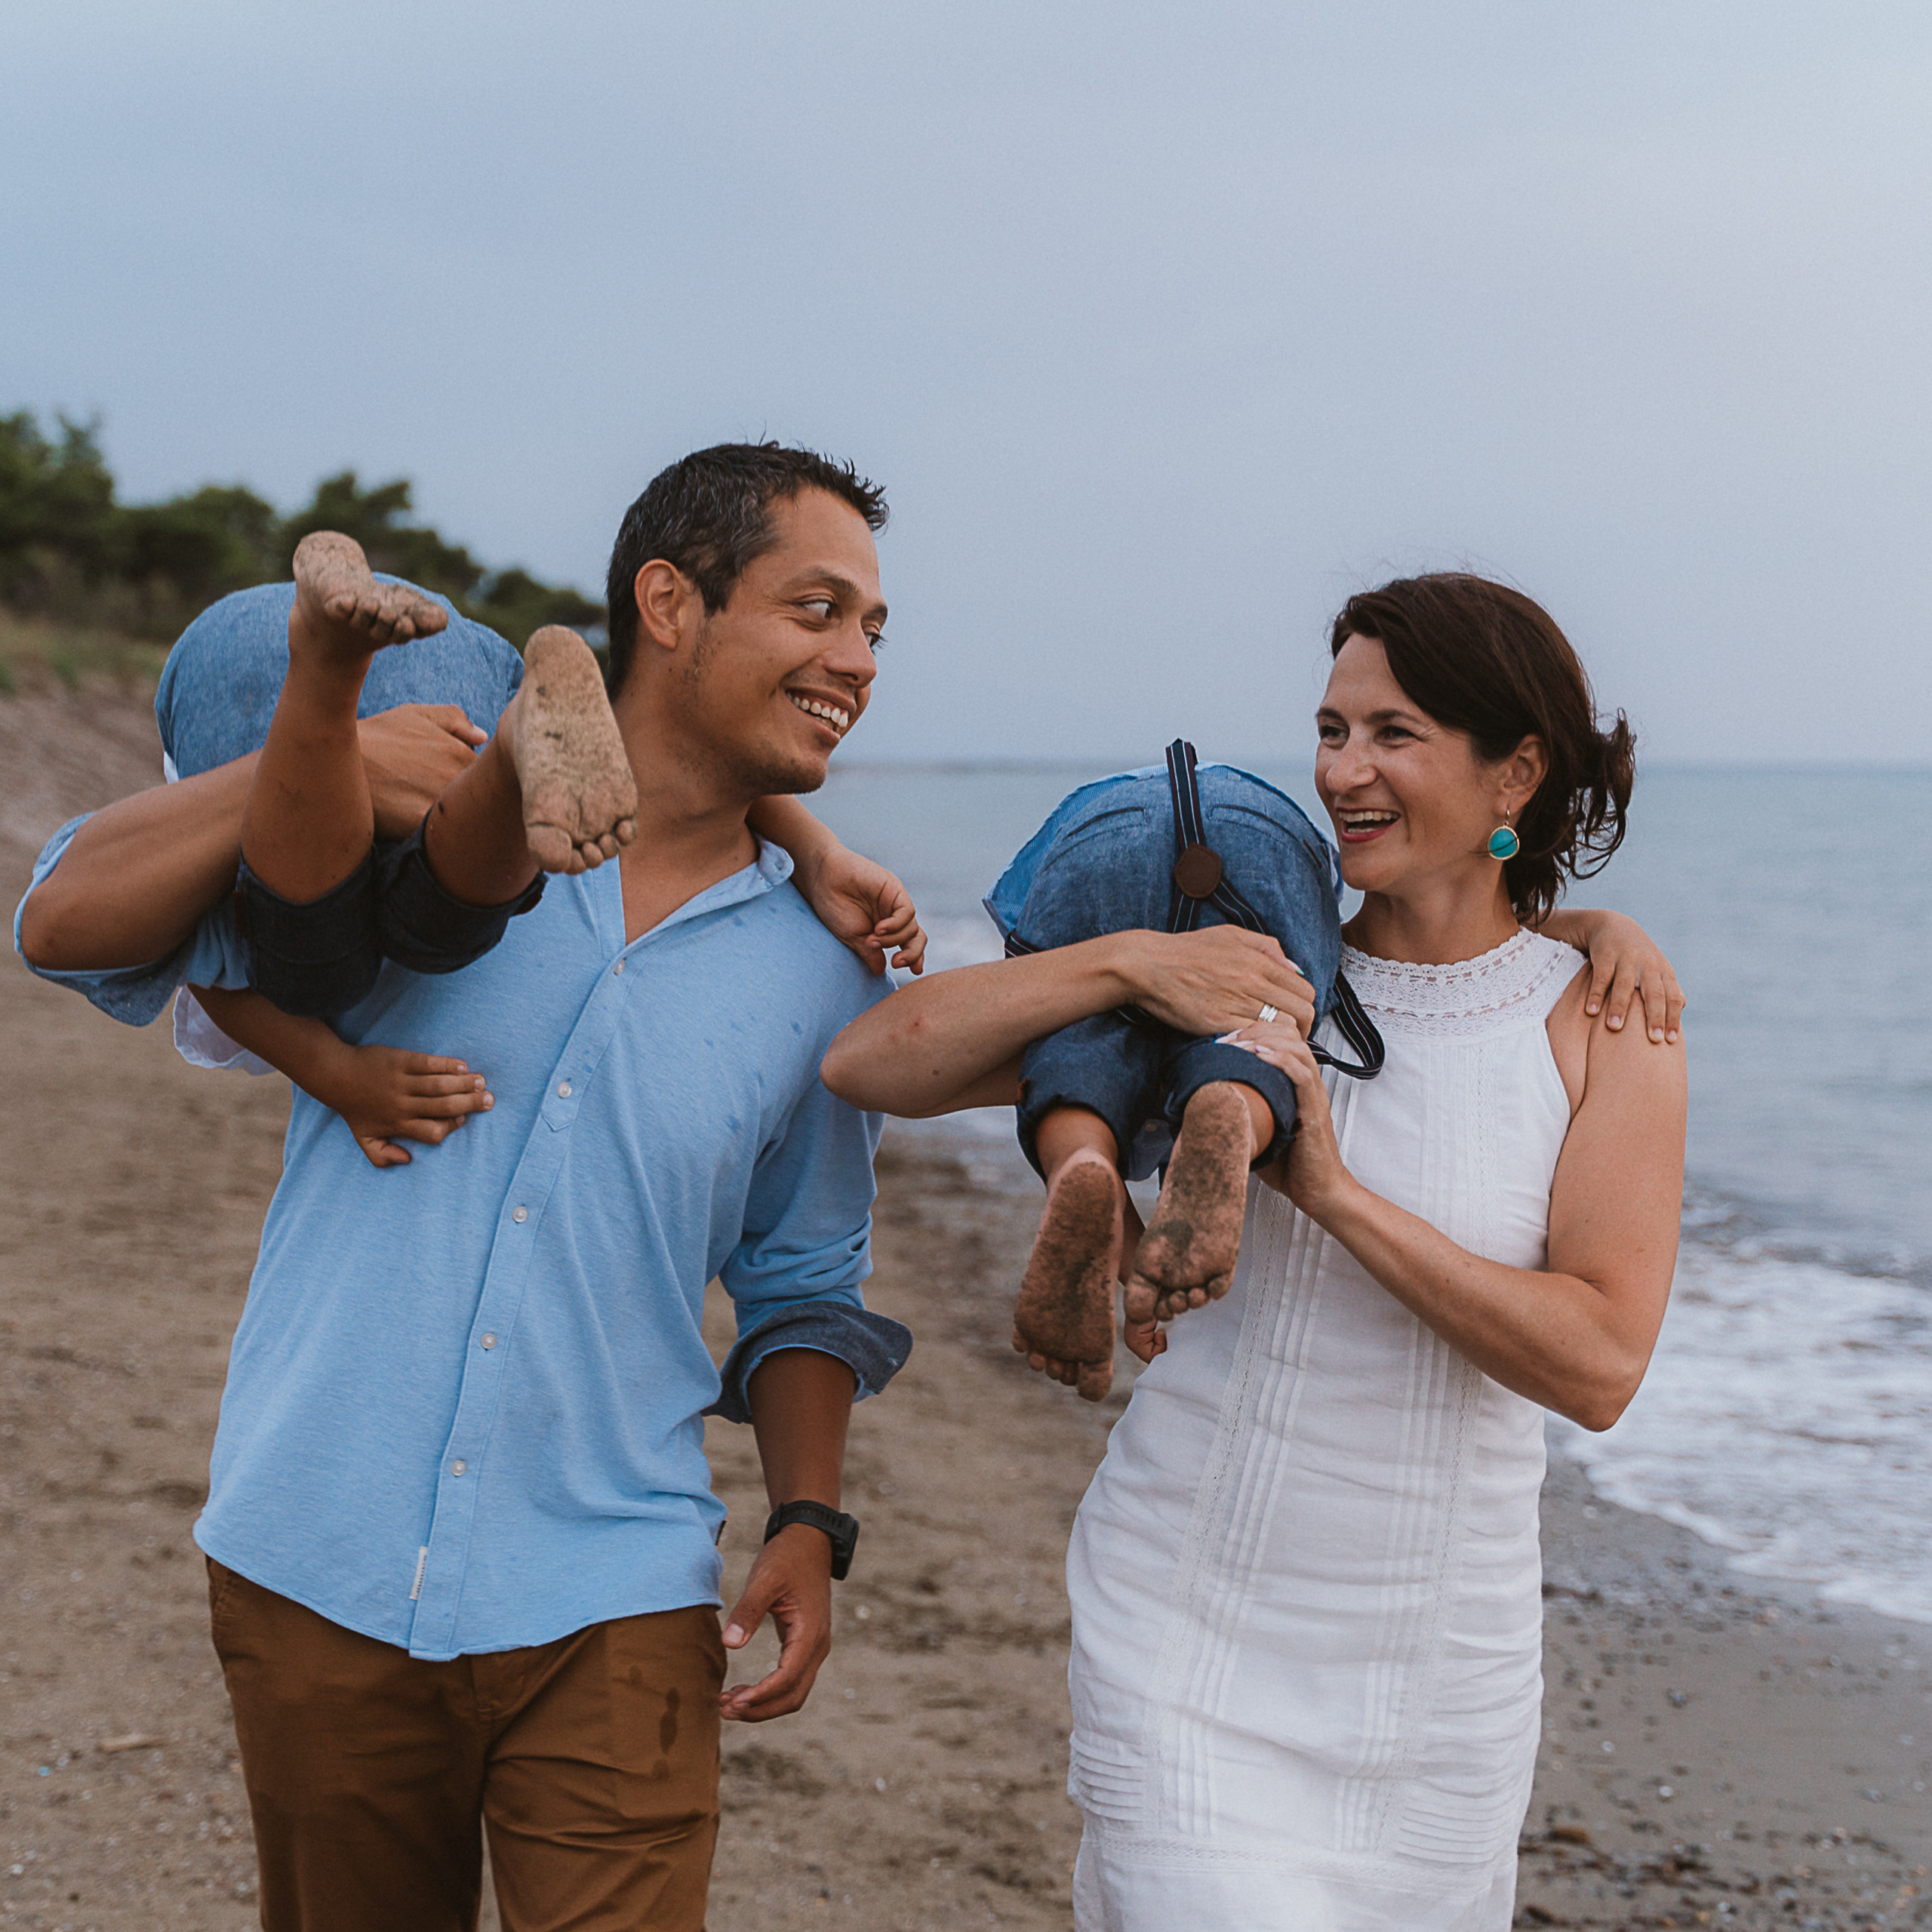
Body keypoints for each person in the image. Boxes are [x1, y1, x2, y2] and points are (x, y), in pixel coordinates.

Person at [14, 442, 927, 1932]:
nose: (857, 660)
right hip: (319, 1546)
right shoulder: (395, 826)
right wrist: (331, 754)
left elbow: (802, 1279)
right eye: (818, 609)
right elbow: (61, 913)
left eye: (876, 630)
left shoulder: (826, 965)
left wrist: (810, 1516)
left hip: (616, 1589)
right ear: (668, 602)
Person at [821, 572, 1687, 1930]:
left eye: (1393, 734)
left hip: (1439, 1680)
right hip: (1191, 1618)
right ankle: (1092, 1166)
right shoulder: (1248, 981)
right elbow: (872, 1062)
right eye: (1332, 732)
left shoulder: (1598, 1021)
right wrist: (1121, 966)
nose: (1344, 772)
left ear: (1515, 769)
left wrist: (1331, 1192)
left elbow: (1598, 1362)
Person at [87, 540, 921, 1166]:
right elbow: (667, 768)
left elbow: (214, 962)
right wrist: (343, 1078)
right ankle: (497, 744)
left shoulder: (206, 799)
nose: (860, 657)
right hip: (462, 655)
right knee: (424, 920)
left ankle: (326, 678)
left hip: (249, 653)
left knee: (307, 943)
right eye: (821, 610)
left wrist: (343, 1077)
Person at [989, 743, 1371, 1400]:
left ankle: (1078, 1160)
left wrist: (1130, 1250)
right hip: (1263, 829)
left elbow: (1024, 938)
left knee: (1076, 1045)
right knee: (1258, 1031)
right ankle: (1228, 1100)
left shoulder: (1090, 803)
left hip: (1097, 831)